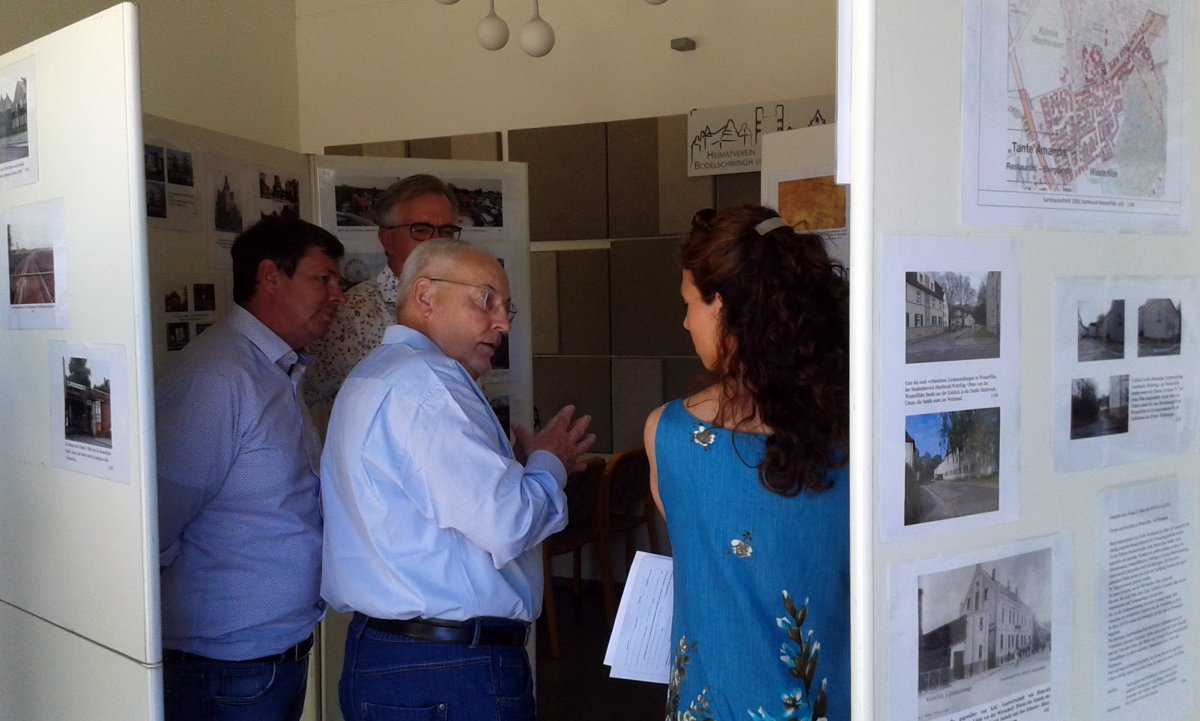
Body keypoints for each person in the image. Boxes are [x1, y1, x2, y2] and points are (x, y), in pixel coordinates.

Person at [321, 238, 595, 721]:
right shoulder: (430, 385)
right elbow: (508, 524)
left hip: (390, 656)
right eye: (486, 300)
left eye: (507, 307)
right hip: (448, 668)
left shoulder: (374, 374)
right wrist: (549, 464)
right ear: (425, 296)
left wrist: (516, 469)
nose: (504, 323)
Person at [644, 205, 851, 721]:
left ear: (721, 306)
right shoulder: (858, 435)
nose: (685, 321)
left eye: (689, 302)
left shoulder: (668, 435)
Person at [156, 216, 346, 721]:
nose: (338, 296)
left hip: (265, 655)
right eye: (323, 278)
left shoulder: (276, 368)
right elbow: (155, 522)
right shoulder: (219, 376)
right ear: (269, 277)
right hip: (224, 664)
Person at [305, 173, 460, 405]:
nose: (436, 242)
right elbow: (297, 401)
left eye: (446, 231)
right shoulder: (351, 317)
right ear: (387, 240)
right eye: (420, 230)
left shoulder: (461, 305)